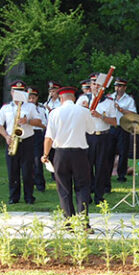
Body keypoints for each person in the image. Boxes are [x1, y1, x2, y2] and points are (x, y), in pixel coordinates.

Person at [42, 86, 95, 229]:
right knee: (83, 187)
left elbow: (49, 138)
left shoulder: (55, 112)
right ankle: (84, 222)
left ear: (61, 98)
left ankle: (68, 222)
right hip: (79, 153)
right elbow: (91, 130)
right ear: (74, 97)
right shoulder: (84, 111)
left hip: (61, 153)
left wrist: (45, 155)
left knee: (64, 188)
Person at [0, 81, 36, 205]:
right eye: (15, 92)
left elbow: (39, 122)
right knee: (12, 170)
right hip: (12, 140)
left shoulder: (30, 107)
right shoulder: (6, 107)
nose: (17, 94)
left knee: (28, 170)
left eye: (20, 92)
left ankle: (29, 197)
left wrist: (27, 121)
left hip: (27, 140)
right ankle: (14, 196)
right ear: (12, 93)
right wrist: (6, 136)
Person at [78, 74, 117, 205]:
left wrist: (100, 116)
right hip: (87, 136)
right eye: (93, 84)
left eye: (98, 84)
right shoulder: (83, 99)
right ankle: (86, 195)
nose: (95, 86)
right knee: (86, 167)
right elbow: (75, 118)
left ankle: (99, 196)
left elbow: (114, 122)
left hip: (103, 137)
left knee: (101, 167)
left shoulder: (109, 102)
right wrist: (82, 110)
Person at [109, 77, 137, 183]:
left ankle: (121, 174)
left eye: (120, 86)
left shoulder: (129, 100)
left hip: (123, 127)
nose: (118, 88)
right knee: (109, 151)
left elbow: (133, 114)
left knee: (123, 152)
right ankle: (108, 173)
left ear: (125, 87)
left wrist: (121, 109)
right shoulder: (110, 98)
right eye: (116, 86)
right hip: (111, 126)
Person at [28, 87, 48, 192]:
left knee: (37, 160)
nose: (31, 100)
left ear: (37, 98)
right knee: (27, 161)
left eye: (33, 97)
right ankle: (29, 183)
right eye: (29, 98)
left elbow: (44, 124)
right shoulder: (23, 107)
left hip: (37, 134)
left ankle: (40, 184)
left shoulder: (41, 109)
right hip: (26, 134)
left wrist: (35, 122)